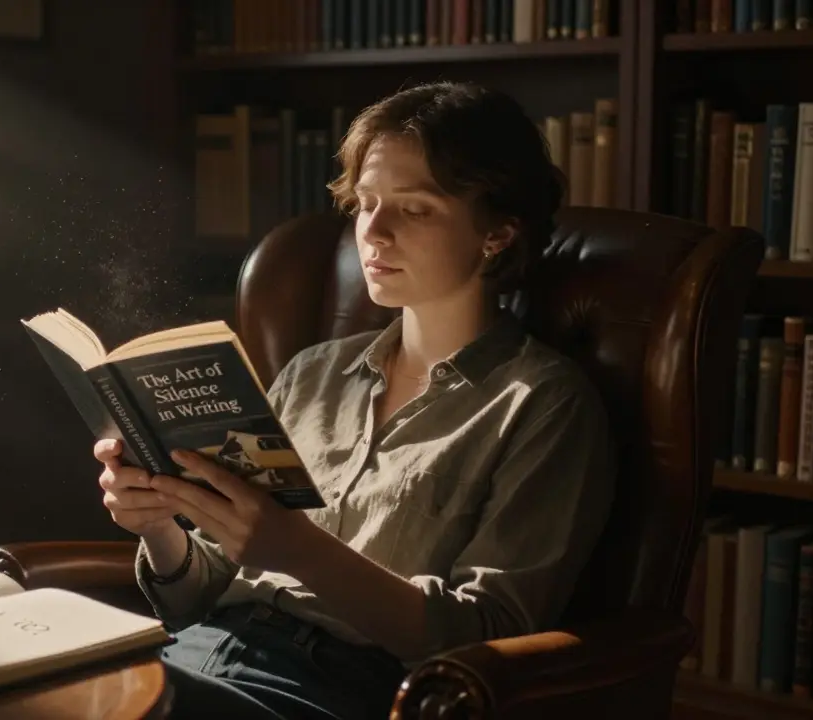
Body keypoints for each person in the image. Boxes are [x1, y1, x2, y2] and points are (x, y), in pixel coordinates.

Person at [94, 81, 617, 720]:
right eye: (365, 203)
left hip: (341, 692)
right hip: (192, 653)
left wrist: (297, 551)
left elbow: (489, 637)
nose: (374, 232)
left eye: (414, 209)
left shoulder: (541, 405)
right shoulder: (313, 374)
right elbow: (196, 595)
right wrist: (157, 522)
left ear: (498, 234)